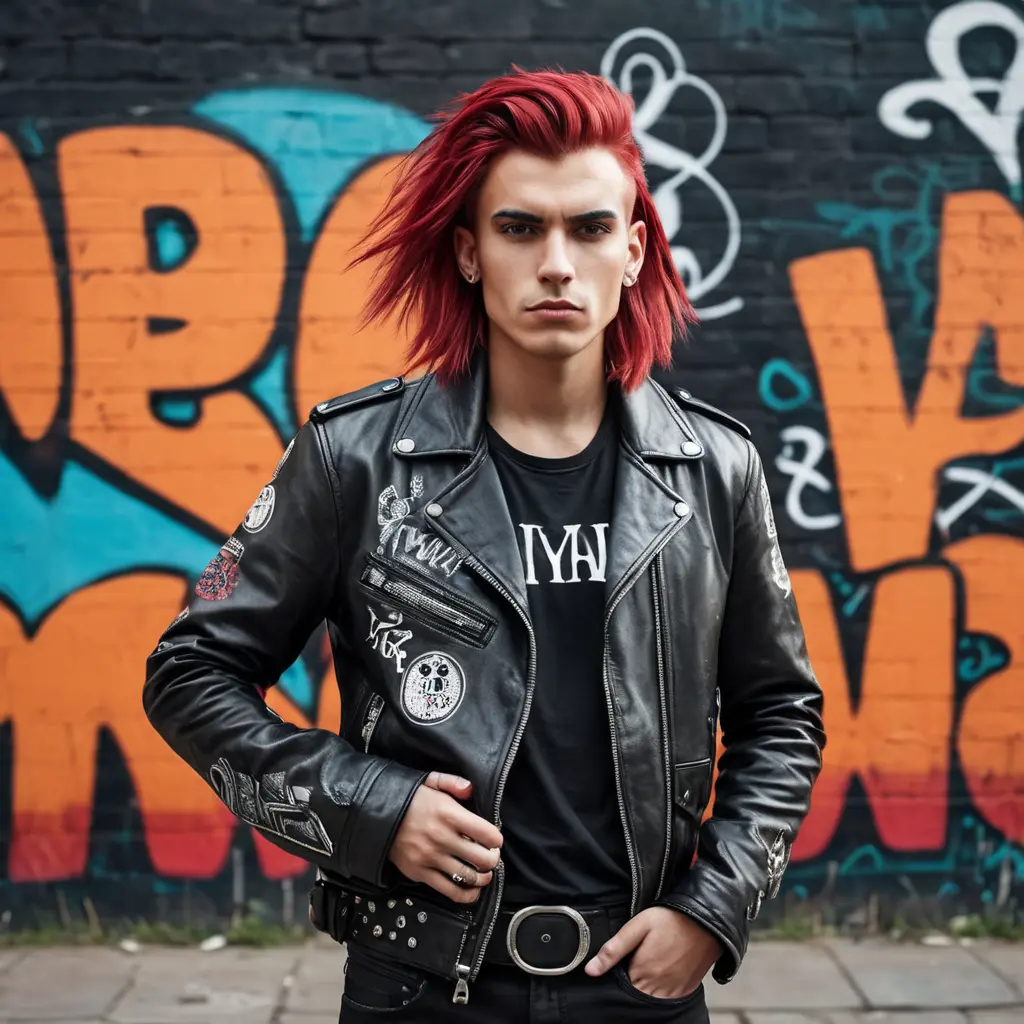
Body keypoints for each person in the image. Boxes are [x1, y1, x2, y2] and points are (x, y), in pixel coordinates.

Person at [143, 68, 826, 1024]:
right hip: (420, 984)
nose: (557, 263)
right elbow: (191, 673)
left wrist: (712, 910)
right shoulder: (358, 461)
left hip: (641, 984)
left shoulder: (712, 470)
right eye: (520, 228)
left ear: (632, 254)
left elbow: (782, 715)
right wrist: (371, 810)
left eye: (589, 229)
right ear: (469, 253)